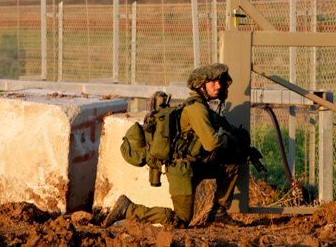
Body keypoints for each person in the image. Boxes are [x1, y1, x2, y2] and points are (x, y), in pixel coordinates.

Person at [103, 63, 244, 228]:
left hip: (193, 165)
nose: (218, 85)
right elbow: (211, 142)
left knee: (231, 164)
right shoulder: (197, 109)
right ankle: (128, 209)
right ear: (201, 85)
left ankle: (218, 212)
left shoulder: (201, 105)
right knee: (181, 221)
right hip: (180, 170)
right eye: (213, 82)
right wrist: (227, 138)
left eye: (220, 81)